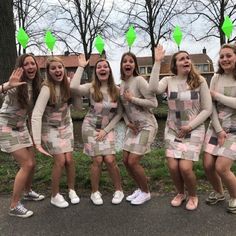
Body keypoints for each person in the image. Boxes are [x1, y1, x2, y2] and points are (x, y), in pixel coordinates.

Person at [149, 45, 212, 210]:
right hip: (173, 129)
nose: (186, 60)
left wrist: (189, 126)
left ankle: (192, 195)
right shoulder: (168, 81)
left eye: (187, 58)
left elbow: (207, 109)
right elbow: (153, 89)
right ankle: (180, 192)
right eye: (182, 58)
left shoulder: (200, 81)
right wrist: (156, 62)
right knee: (172, 166)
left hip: (194, 129)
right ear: (175, 64)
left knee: (185, 167)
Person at [70, 54, 124, 205]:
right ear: (96, 71)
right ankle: (95, 192)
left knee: (110, 159)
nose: (102, 68)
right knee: (98, 160)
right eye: (99, 67)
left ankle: (119, 190)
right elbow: (73, 88)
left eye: (105, 66)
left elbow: (119, 113)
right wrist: (81, 67)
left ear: (109, 70)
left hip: (107, 128)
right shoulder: (91, 88)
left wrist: (106, 130)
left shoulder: (116, 90)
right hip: (90, 127)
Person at [31, 57, 80, 208]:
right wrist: (37, 142)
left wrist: (75, 89)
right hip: (49, 128)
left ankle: (71, 190)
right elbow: (36, 114)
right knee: (60, 160)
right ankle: (55, 195)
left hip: (66, 126)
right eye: (53, 68)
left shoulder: (67, 85)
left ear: (63, 69)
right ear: (48, 72)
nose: (57, 70)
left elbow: (78, 107)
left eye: (60, 67)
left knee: (70, 160)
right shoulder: (46, 88)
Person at [0, 54, 45, 218]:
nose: (31, 66)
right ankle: (14, 206)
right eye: (26, 64)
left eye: (33, 63)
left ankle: (27, 191)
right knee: (26, 164)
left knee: (32, 163)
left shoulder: (37, 85)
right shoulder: (15, 84)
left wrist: (34, 134)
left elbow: (33, 113)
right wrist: (6, 86)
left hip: (22, 127)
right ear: (21, 68)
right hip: (6, 127)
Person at [119, 51, 158, 205]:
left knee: (133, 161)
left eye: (131, 61)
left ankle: (146, 192)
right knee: (125, 160)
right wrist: (127, 121)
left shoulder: (140, 80)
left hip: (147, 125)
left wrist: (132, 99)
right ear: (121, 66)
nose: (128, 64)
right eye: (125, 61)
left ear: (135, 65)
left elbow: (153, 103)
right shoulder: (121, 84)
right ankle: (140, 188)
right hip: (133, 127)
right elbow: (124, 108)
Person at [203, 44, 236, 213]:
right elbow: (211, 106)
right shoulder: (215, 78)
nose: (224, 59)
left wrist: (217, 95)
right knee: (208, 164)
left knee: (221, 167)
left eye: (228, 55)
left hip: (235, 132)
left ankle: (235, 197)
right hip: (216, 128)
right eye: (222, 56)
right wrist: (218, 129)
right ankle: (219, 192)